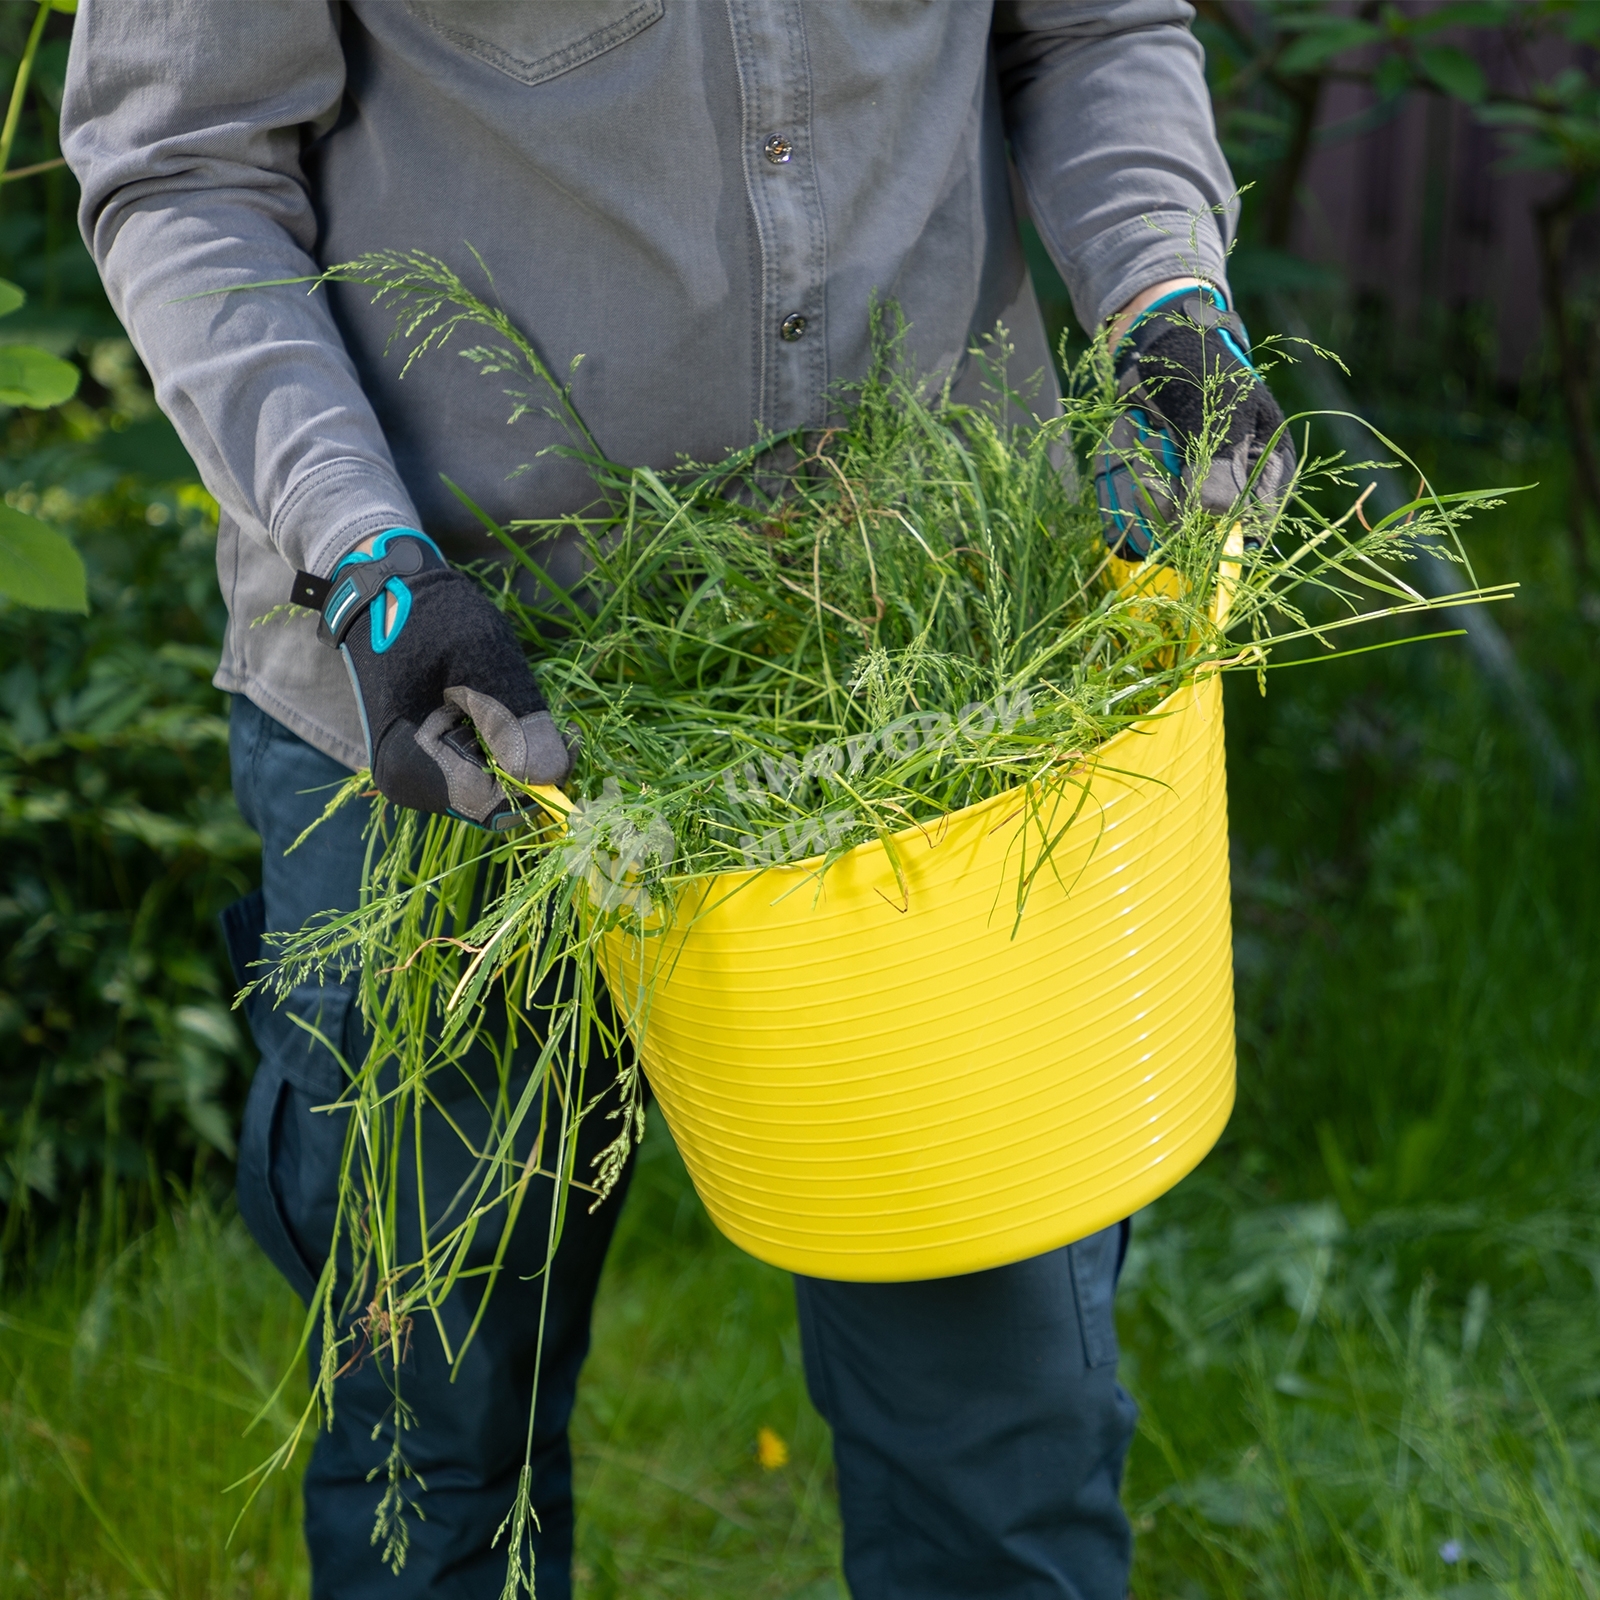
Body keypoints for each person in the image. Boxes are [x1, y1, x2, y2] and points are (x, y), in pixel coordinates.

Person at [62, 5, 1289, 1596]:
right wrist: (361, 548)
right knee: (435, 1437)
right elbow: (184, 165)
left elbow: (1092, 28)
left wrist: (1165, 296)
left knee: (997, 1447)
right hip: (445, 698)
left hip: (927, 687)